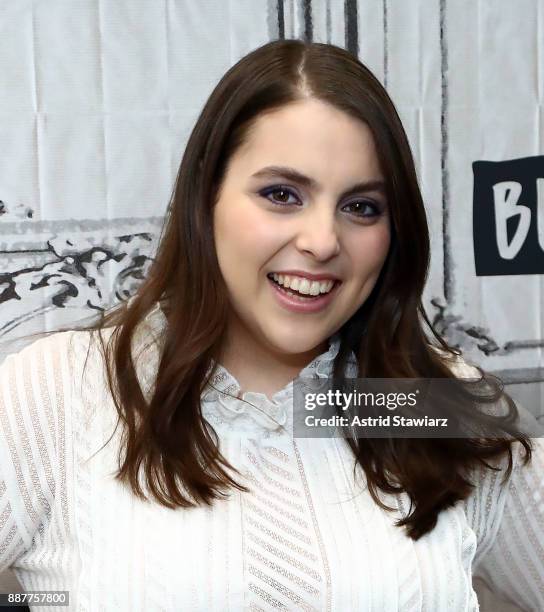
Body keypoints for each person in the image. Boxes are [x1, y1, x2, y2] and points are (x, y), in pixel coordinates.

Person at [0, 39, 542, 611]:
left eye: (361, 207)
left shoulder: (427, 403)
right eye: (281, 195)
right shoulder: (60, 390)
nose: (322, 241)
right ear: (205, 196)